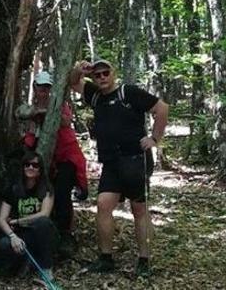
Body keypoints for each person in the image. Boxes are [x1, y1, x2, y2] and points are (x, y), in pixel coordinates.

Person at [70, 58, 169, 277]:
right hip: (111, 162)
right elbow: (73, 83)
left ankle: (144, 260)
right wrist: (79, 70)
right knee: (104, 205)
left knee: (139, 209)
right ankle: (106, 258)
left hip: (135, 160)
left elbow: (161, 108)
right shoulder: (95, 95)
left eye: (106, 73)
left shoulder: (128, 92)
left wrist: (154, 138)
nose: (102, 78)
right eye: (97, 75)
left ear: (113, 73)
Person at [15, 71, 88, 246]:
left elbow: (65, 122)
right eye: (41, 88)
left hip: (66, 158)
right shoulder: (32, 109)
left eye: (47, 88)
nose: (44, 92)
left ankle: (65, 234)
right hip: (45, 160)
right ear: (36, 88)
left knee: (62, 192)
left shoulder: (59, 105)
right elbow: (31, 134)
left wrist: (46, 112)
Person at [0, 151, 57, 281]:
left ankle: (46, 267)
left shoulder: (46, 189)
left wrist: (17, 221)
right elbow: (2, 219)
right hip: (21, 235)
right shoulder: (13, 189)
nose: (30, 168)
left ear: (40, 170)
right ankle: (23, 262)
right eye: (27, 165)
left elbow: (44, 214)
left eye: (35, 165)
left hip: (41, 234)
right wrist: (12, 236)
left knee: (43, 223)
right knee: (4, 244)